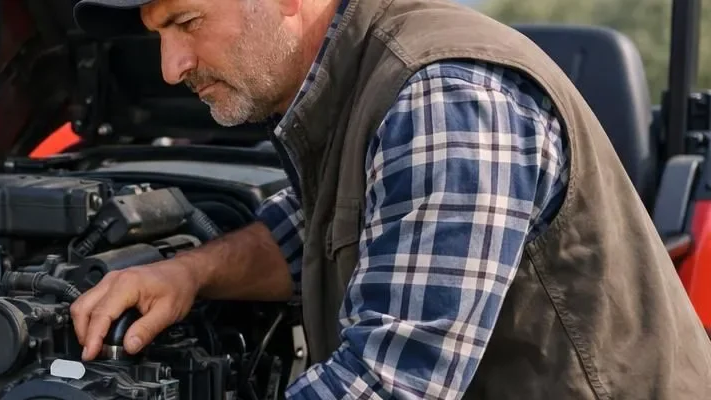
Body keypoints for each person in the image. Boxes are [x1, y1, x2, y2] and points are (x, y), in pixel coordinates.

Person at [67, 0, 711, 398]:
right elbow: (314, 231)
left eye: (185, 22)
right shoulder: (355, 84)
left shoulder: (444, 98)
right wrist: (188, 272)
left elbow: (390, 386)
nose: (169, 67)